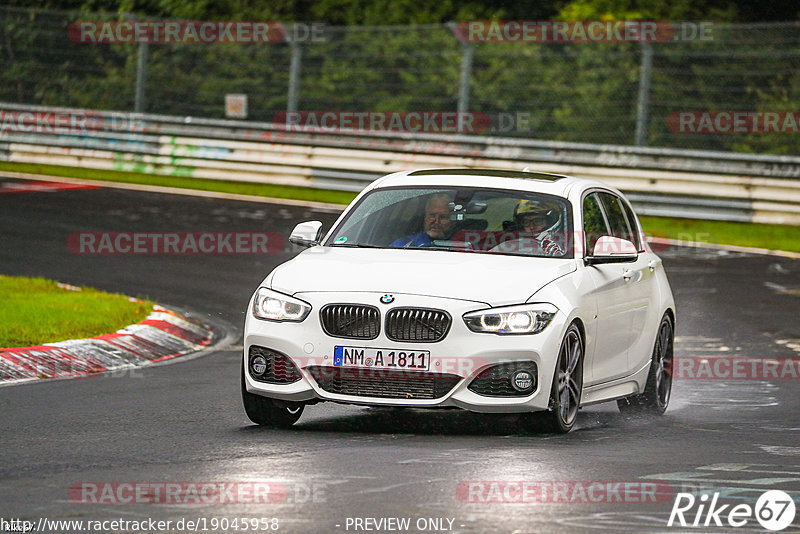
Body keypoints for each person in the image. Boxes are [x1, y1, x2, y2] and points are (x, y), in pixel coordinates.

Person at [390, 192, 455, 247]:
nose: (436, 221)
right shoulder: (404, 244)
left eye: (443, 217)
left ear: (453, 221)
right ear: (425, 217)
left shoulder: (461, 245)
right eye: (432, 216)